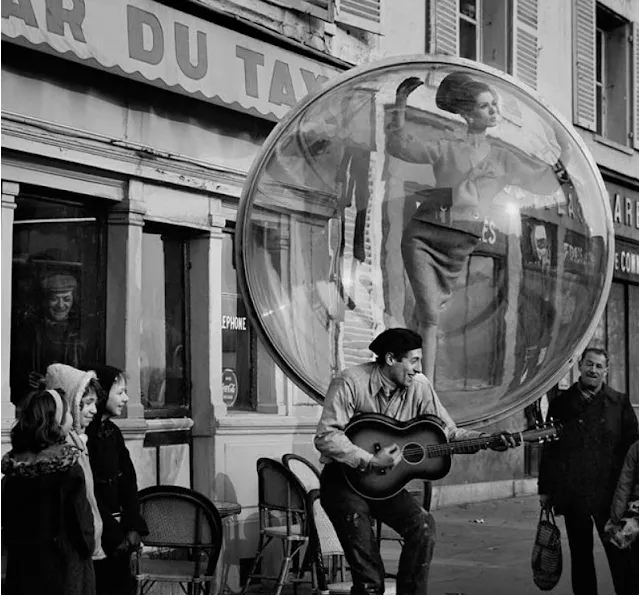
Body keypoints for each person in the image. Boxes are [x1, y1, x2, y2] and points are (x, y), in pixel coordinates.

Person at [386, 72, 571, 379]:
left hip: (459, 245)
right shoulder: (447, 145)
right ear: (468, 114)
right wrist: (401, 104)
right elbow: (402, 147)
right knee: (429, 314)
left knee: (427, 314)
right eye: (487, 106)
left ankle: (413, 380)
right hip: (424, 235)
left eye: (495, 105)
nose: (495, 111)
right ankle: (426, 389)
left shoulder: (503, 158)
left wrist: (564, 149)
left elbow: (542, 181)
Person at [315, 327, 516, 595]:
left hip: (385, 486)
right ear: (390, 359)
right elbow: (326, 436)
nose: (417, 368)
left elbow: (448, 433)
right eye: (413, 361)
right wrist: (369, 460)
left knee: (422, 526)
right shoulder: (350, 381)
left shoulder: (419, 385)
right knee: (369, 579)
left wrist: (486, 440)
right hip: (343, 483)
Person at [538, 347, 638, 595]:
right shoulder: (561, 404)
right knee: (580, 555)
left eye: (599, 366)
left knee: (619, 553)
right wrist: (545, 490)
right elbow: (550, 450)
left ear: (606, 370)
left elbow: (633, 451)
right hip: (575, 493)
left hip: (610, 494)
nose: (593, 370)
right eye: (589, 364)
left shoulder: (619, 402)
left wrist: (634, 494)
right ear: (579, 366)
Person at [1, 388, 96, 595]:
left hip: (23, 570)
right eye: (68, 414)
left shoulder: (13, 472)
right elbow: (81, 524)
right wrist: (89, 546)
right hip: (65, 570)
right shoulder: (68, 470)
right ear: (57, 421)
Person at [85, 365, 148, 595]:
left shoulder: (112, 432)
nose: (126, 398)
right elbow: (88, 491)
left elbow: (129, 481)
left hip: (120, 534)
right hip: (98, 536)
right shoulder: (85, 437)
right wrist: (114, 533)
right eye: (120, 392)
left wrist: (132, 523)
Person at [46, 363, 107, 564]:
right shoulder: (67, 448)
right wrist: (89, 538)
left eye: (95, 403)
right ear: (72, 401)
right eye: (87, 402)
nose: (93, 410)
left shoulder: (79, 441)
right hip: (73, 551)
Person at [11, 269, 84, 405]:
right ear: (45, 301)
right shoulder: (31, 331)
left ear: (74, 300)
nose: (61, 305)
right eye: (54, 299)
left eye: (66, 299)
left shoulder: (79, 331)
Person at [605, 439, 639, 587]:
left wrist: (617, 517)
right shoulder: (636, 448)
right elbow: (625, 482)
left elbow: (625, 483)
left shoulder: (636, 447)